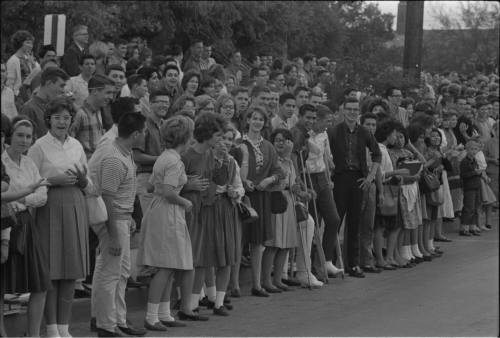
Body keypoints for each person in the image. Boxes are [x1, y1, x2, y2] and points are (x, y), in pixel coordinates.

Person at [27, 97, 93, 337]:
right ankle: (52, 327)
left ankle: (64, 327)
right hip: (50, 206)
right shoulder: (39, 147)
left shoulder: (76, 145)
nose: (62, 122)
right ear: (48, 120)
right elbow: (30, 181)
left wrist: (84, 181)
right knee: (52, 270)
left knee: (70, 269)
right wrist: (52, 180)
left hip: (75, 203)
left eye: (66, 117)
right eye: (57, 118)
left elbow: (89, 179)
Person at [88, 112, 148, 337]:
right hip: (114, 221)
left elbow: (119, 194)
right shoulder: (114, 158)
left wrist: (129, 216)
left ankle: (114, 319)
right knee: (111, 273)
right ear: (134, 134)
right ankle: (105, 324)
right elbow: (108, 198)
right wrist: (113, 234)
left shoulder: (125, 152)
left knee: (118, 271)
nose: (144, 136)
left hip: (122, 217)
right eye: (142, 132)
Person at [137, 116, 196, 330]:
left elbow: (153, 186)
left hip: (160, 211)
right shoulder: (174, 161)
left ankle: (164, 312)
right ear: (185, 137)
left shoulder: (164, 157)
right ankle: (152, 316)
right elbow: (169, 192)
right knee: (164, 266)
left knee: (170, 265)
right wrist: (185, 201)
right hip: (168, 213)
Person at [1, 118, 51, 337]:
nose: (24, 140)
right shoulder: (1, 161)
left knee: (40, 284)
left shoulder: (29, 162)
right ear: (10, 135)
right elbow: (3, 199)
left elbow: (42, 195)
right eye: (20, 135)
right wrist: (26, 196)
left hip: (27, 224)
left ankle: (33, 335)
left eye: (28, 136)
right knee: (1, 284)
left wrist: (22, 200)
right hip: (6, 224)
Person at [181, 113, 232, 314]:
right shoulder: (187, 155)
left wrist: (224, 160)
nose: (220, 138)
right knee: (191, 259)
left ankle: (192, 304)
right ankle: (184, 304)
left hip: (206, 210)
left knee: (201, 259)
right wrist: (187, 184)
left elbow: (219, 180)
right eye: (218, 134)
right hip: (190, 212)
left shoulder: (211, 154)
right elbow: (167, 184)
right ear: (208, 134)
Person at [327, 97, 381, 277]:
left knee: (355, 222)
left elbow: (377, 155)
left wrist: (370, 177)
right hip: (340, 178)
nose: (351, 112)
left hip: (358, 178)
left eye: (355, 109)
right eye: (348, 109)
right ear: (343, 111)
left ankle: (353, 264)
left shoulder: (364, 132)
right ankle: (332, 262)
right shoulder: (333, 131)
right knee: (336, 220)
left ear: (358, 111)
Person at [238, 105, 284, 297]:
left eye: (260, 119)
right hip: (243, 197)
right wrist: (242, 181)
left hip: (262, 196)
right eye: (253, 118)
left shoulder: (268, 146)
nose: (257, 122)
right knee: (239, 241)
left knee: (258, 242)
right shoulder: (239, 144)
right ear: (247, 120)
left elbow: (279, 171)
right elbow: (232, 168)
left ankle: (256, 284)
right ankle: (233, 286)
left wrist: (269, 180)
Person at [262, 129, 301, 292]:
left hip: (289, 200)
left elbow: (294, 180)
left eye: (285, 140)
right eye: (278, 140)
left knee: (285, 244)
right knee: (274, 243)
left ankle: (278, 279)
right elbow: (278, 177)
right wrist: (286, 156)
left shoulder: (291, 160)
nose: (281, 143)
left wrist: (301, 191)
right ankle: (266, 280)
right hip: (276, 199)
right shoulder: (272, 159)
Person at [133, 90, 169, 212]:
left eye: (167, 102)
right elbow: (136, 156)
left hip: (164, 178)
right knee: (151, 222)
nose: (164, 105)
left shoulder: (166, 125)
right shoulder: (143, 125)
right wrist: (162, 159)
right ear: (151, 103)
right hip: (147, 178)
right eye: (160, 102)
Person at [359, 113, 382, 273]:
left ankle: (366, 260)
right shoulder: (357, 142)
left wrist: (380, 191)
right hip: (359, 184)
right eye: (368, 124)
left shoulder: (375, 145)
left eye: (374, 125)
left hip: (372, 186)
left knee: (369, 224)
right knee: (355, 224)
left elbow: (378, 169)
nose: (371, 128)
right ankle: (352, 260)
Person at [70, 74, 115, 159]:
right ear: (95, 91)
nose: (111, 97)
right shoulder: (80, 114)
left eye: (112, 93)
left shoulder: (99, 111)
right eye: (108, 92)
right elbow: (69, 144)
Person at [21, 67, 69, 138]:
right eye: (61, 86)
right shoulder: (29, 108)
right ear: (49, 83)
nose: (63, 91)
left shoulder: (57, 108)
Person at [459, 139, 483, 236]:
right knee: (468, 208)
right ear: (467, 150)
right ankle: (464, 228)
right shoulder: (464, 161)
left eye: (475, 149)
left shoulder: (475, 160)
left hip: (476, 185)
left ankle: (472, 226)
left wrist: (480, 173)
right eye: (472, 149)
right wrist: (475, 172)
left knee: (474, 208)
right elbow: (463, 175)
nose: (473, 151)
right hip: (469, 187)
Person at [6, 30, 36, 100]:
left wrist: (33, 63)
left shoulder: (28, 59)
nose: (31, 46)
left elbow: (37, 74)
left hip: (29, 96)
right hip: (18, 97)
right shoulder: (13, 60)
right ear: (20, 43)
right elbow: (10, 83)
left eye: (32, 43)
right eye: (28, 43)